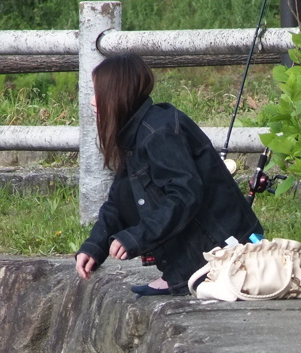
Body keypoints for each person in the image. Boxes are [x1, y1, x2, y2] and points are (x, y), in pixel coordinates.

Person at [75, 53, 264, 295]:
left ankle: (187, 272)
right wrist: (94, 247)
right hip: (203, 252)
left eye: (98, 92)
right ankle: (178, 271)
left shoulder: (159, 133)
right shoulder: (137, 132)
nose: (92, 102)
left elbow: (184, 195)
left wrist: (137, 237)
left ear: (119, 93)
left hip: (226, 250)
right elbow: (119, 200)